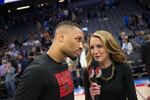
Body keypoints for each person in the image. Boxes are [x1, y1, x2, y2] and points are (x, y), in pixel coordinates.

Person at [13, 21, 84, 100]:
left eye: (82, 41)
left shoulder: (64, 64)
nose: (81, 46)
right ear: (61, 38)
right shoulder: (37, 70)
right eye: (78, 39)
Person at [84, 30, 137, 100]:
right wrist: (92, 97)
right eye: (92, 47)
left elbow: (132, 97)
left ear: (109, 46)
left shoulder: (123, 67)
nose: (95, 52)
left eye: (99, 46)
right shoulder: (89, 71)